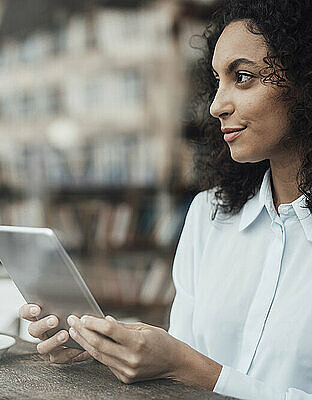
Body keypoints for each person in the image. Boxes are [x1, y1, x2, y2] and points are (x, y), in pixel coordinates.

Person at [18, 0, 312, 398]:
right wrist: (108, 350)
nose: (216, 105)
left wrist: (189, 367)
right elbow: (181, 360)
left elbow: (188, 365)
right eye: (217, 81)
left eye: (243, 77)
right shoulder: (209, 215)